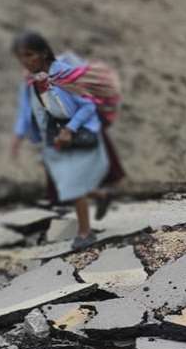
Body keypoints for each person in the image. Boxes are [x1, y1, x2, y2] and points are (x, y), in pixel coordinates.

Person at [10, 31, 111, 251]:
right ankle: (101, 195)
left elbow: (88, 105)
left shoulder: (65, 75)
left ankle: (85, 233)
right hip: (53, 134)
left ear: (44, 53)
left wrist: (70, 129)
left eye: (29, 55)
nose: (25, 61)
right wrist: (19, 136)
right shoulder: (29, 82)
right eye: (21, 57)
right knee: (65, 183)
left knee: (73, 184)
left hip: (79, 128)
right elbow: (24, 110)